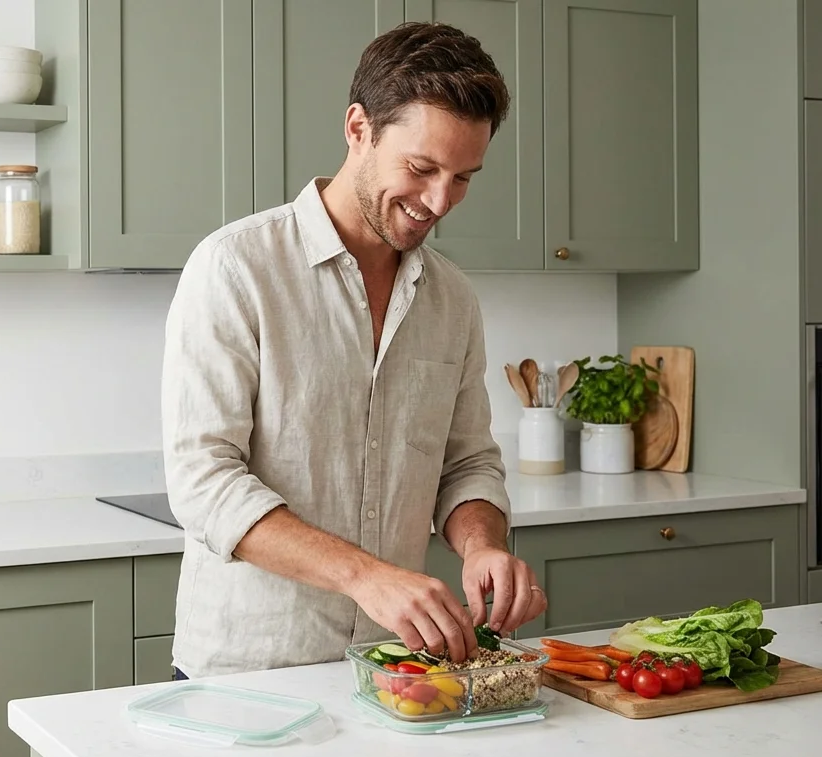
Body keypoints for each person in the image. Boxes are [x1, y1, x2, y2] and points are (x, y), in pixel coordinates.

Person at [159, 21, 548, 680]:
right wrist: (367, 578)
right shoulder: (236, 267)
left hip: (394, 673)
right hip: (250, 674)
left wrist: (481, 546)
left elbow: (467, 463)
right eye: (421, 169)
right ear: (358, 129)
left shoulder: (451, 298)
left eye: (462, 178)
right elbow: (203, 484)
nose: (438, 202)